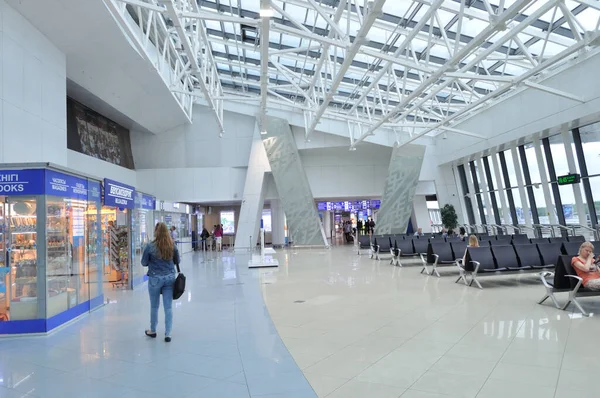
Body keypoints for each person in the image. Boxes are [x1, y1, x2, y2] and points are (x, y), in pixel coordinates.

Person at [142, 222, 180, 342]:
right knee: (168, 307)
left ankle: (153, 330)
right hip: (169, 278)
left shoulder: (150, 246)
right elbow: (177, 260)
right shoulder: (172, 245)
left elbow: (144, 263)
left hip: (154, 279)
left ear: (156, 232)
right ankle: (168, 333)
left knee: (154, 306)